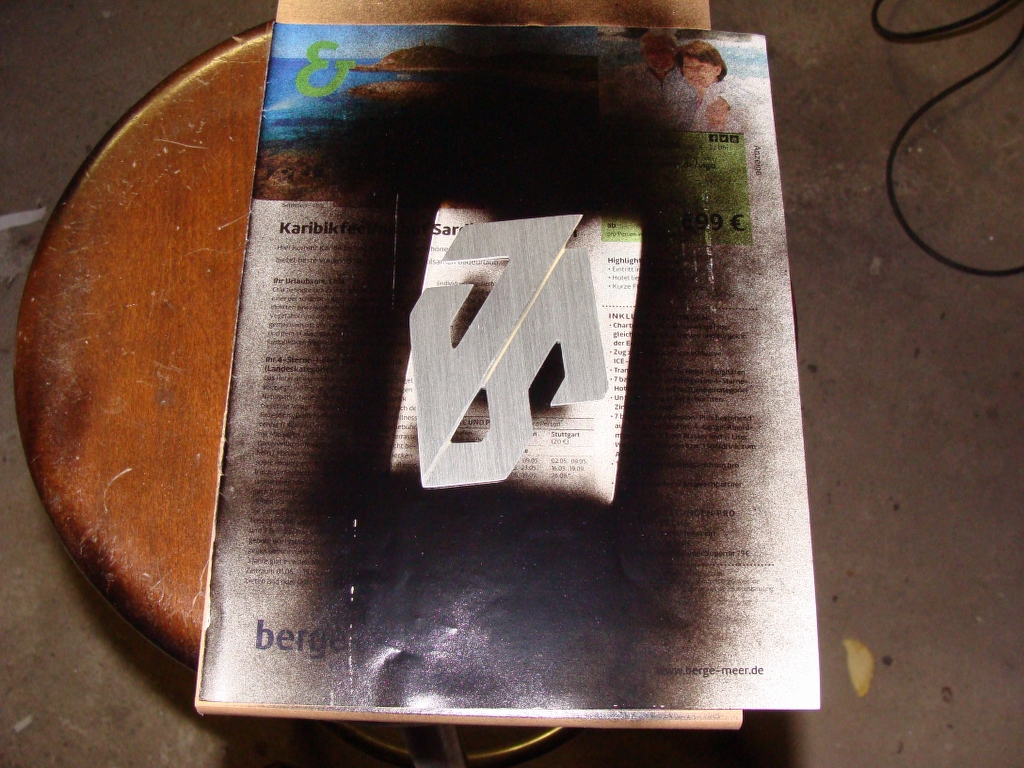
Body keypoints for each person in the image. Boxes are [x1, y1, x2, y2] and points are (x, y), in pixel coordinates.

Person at [607, 30, 697, 130]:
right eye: (651, 51)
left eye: (664, 50)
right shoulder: (627, 76)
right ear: (643, 53)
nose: (658, 55)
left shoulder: (693, 75)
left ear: (675, 51)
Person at [678, 40, 742, 132]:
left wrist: (726, 100)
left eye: (701, 68)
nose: (694, 73)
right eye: (688, 68)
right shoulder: (690, 95)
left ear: (717, 70)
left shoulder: (726, 95)